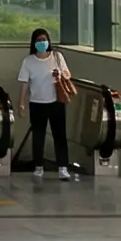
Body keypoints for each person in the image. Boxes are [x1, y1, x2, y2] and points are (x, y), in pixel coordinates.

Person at [14, 29, 76, 180]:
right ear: (34, 43)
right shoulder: (28, 61)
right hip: (37, 103)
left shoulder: (57, 57)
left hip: (56, 102)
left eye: (44, 39)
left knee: (59, 135)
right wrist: (21, 103)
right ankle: (38, 166)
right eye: (39, 40)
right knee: (38, 136)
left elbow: (67, 74)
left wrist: (60, 74)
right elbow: (24, 83)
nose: (42, 43)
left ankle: (62, 167)